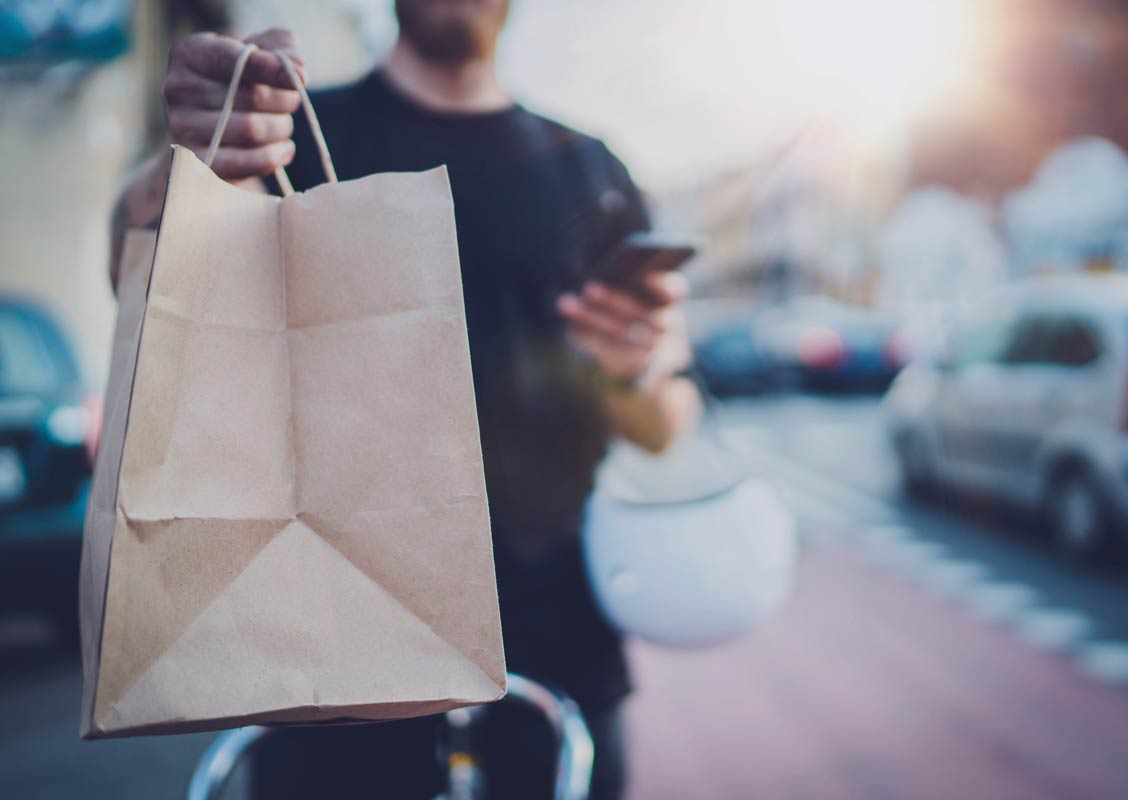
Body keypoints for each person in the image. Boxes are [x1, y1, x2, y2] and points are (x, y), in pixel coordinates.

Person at [108, 2, 701, 798]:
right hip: (330, 651)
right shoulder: (299, 129)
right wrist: (179, 170)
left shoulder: (592, 171)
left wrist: (636, 372)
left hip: (557, 644)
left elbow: (666, 426)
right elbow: (135, 265)